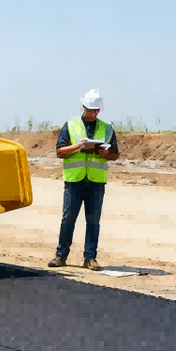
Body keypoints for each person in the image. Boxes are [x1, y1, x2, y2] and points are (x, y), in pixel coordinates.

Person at [49, 89, 120, 271]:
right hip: (74, 180)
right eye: (90, 110)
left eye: (96, 110)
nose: (93, 113)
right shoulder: (70, 125)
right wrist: (79, 147)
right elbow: (60, 151)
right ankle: (61, 256)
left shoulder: (107, 128)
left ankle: (90, 258)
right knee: (68, 219)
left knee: (93, 221)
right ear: (83, 107)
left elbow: (115, 155)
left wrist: (103, 152)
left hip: (96, 182)